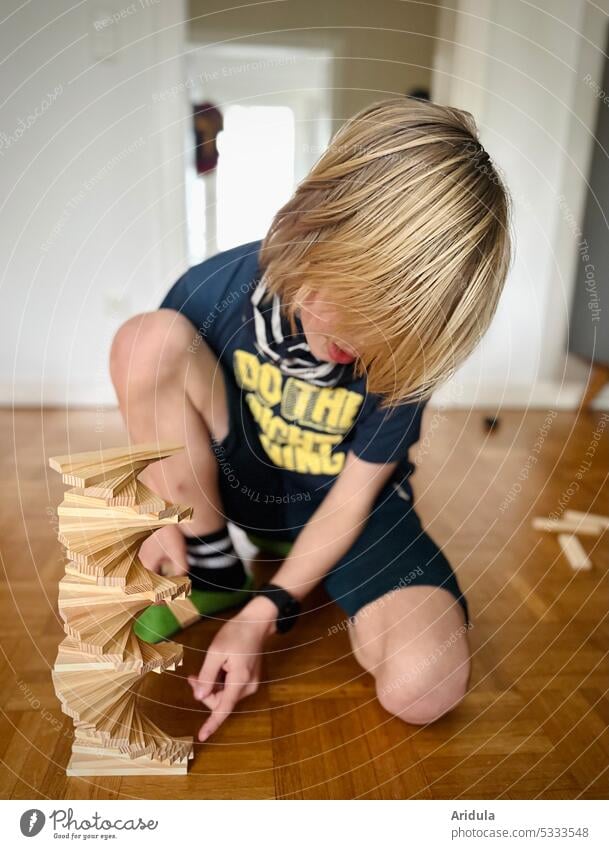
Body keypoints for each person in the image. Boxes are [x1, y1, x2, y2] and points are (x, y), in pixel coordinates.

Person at [110, 97, 511, 743]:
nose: (361, 342)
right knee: (145, 339)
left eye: (395, 332)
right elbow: (161, 427)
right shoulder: (211, 292)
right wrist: (155, 511)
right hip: (237, 482)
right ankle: (215, 568)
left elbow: (353, 498)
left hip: (349, 505)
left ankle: (303, 566)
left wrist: (269, 610)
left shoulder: (409, 346)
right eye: (353, 308)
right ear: (311, 229)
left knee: (426, 685)